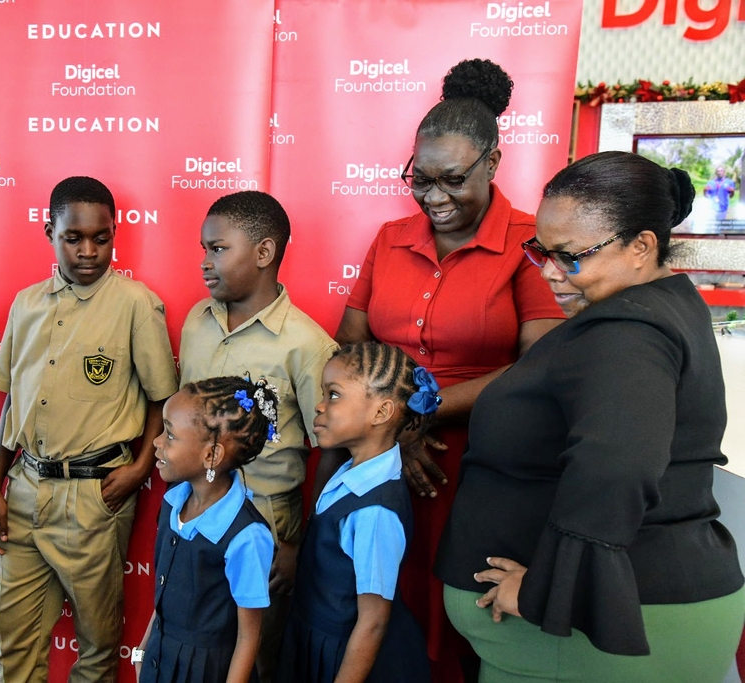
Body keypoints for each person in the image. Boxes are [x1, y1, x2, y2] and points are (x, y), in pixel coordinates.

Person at [436, 151, 745, 683]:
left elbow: (617, 467)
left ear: (641, 246)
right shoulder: (655, 305)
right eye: (541, 252)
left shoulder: (628, 332)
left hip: (589, 638)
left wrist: (548, 588)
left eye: (571, 256)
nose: (551, 273)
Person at [332, 59, 564, 683]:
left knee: (457, 613)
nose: (434, 197)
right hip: (381, 459)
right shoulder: (389, 237)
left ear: (492, 162)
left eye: (453, 179)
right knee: (377, 602)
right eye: (421, 179)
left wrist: (419, 413)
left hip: (477, 464)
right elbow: (350, 344)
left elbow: (541, 365)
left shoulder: (530, 242)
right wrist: (385, 428)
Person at [0, 176, 179, 682]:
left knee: (97, 649)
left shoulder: (136, 303)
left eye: (101, 238)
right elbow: (11, 407)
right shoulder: (25, 305)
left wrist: (136, 471)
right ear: (50, 232)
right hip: (24, 492)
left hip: (94, 496)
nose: (88, 251)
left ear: (115, 235)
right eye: (73, 238)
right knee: (14, 644)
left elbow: (163, 399)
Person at [178, 190, 339, 681]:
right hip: (195, 518)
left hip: (266, 530)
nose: (205, 262)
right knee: (196, 649)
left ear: (264, 253)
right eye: (204, 249)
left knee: (256, 659)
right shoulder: (195, 321)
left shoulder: (306, 344)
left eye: (219, 249)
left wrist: (297, 545)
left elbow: (329, 451)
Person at [278, 342, 434, 683]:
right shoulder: (349, 472)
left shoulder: (375, 511)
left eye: (334, 395)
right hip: (317, 636)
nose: (319, 406)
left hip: (348, 658)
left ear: (381, 412)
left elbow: (373, 620)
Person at [134, 376, 277, 683]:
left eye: (170, 436)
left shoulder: (247, 536)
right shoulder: (173, 504)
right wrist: (142, 652)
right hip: (161, 661)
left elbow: (248, 638)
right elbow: (164, 599)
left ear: (211, 455)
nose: (157, 442)